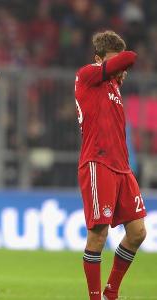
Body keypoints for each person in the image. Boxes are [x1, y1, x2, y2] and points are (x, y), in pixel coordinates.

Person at [74, 30, 147, 300]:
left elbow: (124, 62)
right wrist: (123, 60)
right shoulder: (88, 75)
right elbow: (130, 57)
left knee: (138, 232)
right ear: (98, 60)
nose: (123, 69)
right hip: (98, 163)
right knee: (98, 235)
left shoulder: (113, 87)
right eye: (115, 64)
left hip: (122, 168)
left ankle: (110, 292)